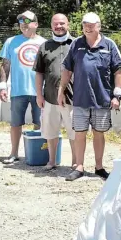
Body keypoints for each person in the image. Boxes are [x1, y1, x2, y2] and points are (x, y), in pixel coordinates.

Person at [59, 12, 121, 181]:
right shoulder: (76, 44)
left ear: (99, 26)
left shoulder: (109, 44)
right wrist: (61, 90)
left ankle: (99, 167)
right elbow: (67, 69)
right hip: (80, 98)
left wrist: (117, 95)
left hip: (102, 98)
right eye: (85, 24)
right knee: (79, 133)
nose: (88, 28)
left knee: (99, 133)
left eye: (91, 24)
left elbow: (118, 71)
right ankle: (79, 167)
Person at [0, 10, 46, 164]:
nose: (24, 25)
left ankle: (37, 153)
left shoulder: (44, 43)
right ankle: (14, 153)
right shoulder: (11, 41)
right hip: (18, 90)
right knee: (15, 123)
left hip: (39, 91)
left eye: (28, 22)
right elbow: (5, 65)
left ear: (36, 24)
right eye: (21, 22)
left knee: (40, 123)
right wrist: (2, 86)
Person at [33, 13, 75, 171]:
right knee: (50, 131)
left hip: (73, 97)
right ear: (51, 26)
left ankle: (75, 163)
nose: (59, 26)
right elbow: (39, 73)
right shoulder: (44, 46)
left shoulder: (77, 44)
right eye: (56, 24)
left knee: (74, 132)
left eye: (62, 23)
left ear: (68, 24)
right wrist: (39, 94)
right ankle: (52, 161)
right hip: (50, 97)